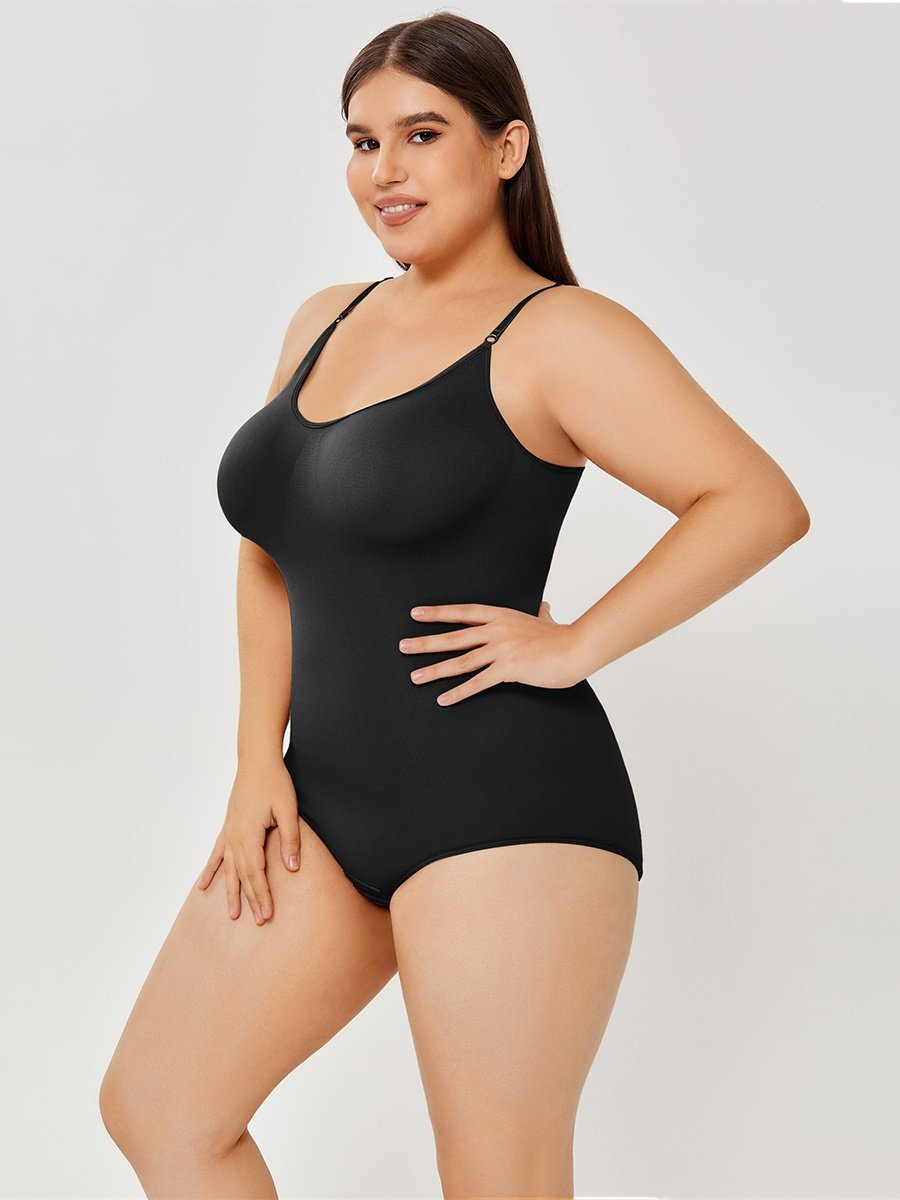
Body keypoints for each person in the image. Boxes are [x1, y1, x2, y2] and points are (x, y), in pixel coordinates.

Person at [99, 11, 810, 1198]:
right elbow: (269, 552)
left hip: (508, 805)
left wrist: (576, 642)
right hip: (320, 803)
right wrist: (255, 760)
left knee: (496, 1178)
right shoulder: (324, 320)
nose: (386, 169)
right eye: (363, 140)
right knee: (161, 1112)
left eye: (423, 134)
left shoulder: (558, 334)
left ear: (506, 147)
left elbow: (755, 501)